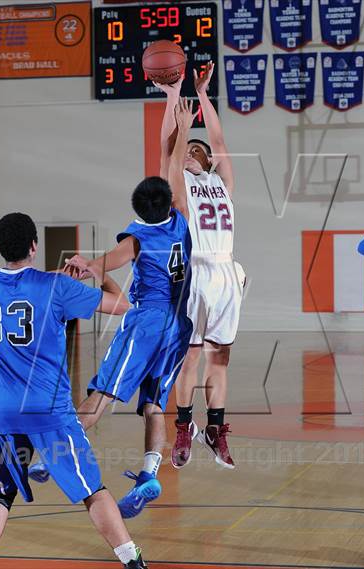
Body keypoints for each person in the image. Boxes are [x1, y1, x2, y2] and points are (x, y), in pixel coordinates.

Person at [0, 213, 148, 569]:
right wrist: (98, 272)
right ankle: (132, 561)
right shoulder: (55, 287)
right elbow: (123, 308)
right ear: (34, 247)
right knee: (92, 490)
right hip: (49, 412)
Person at [30, 174, 193, 519]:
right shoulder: (181, 220)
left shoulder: (138, 238)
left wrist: (84, 266)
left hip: (146, 322)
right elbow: (175, 171)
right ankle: (149, 474)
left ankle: (55, 453)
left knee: (103, 393)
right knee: (153, 405)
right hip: (179, 326)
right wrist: (179, 127)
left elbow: (106, 261)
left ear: (138, 208)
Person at [158, 64, 246, 470]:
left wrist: (204, 94)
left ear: (207, 159)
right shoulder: (180, 185)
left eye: (199, 149)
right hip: (196, 272)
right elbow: (168, 149)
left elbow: (219, 137)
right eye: (188, 149)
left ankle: (215, 427)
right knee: (190, 358)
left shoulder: (221, 180)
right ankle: (182, 425)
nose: (193, 151)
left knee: (220, 358)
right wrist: (175, 102)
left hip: (227, 272)